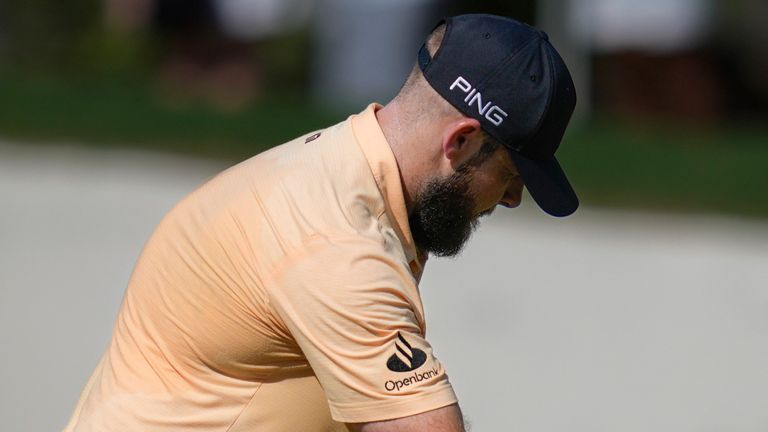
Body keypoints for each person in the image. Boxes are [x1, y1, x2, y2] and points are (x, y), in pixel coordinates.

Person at [63, 14, 577, 432]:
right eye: (511, 174)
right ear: (459, 143)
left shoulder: (342, 171)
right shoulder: (335, 240)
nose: (512, 198)